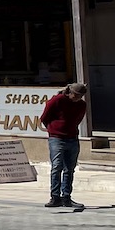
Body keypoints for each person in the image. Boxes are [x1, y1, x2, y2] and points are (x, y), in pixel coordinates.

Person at [40, 82, 88, 210]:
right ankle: (55, 197)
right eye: (76, 96)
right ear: (70, 93)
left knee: (69, 169)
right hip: (57, 138)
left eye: (80, 96)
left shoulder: (81, 105)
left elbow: (78, 119)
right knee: (56, 167)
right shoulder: (58, 100)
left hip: (72, 138)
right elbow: (45, 117)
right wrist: (53, 129)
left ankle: (66, 196)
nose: (77, 99)